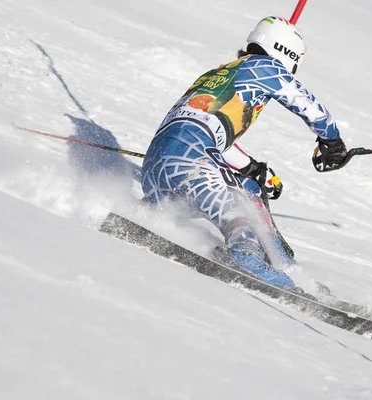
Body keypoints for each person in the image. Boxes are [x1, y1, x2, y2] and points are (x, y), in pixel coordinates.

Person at [141, 16, 348, 290]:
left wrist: (251, 167)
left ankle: (143, 214)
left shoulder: (220, 72)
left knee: (249, 185)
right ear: (286, 54)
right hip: (191, 161)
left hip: (156, 167)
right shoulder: (266, 68)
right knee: (245, 202)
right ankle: (258, 264)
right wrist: (332, 141)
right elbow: (305, 103)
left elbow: (209, 130)